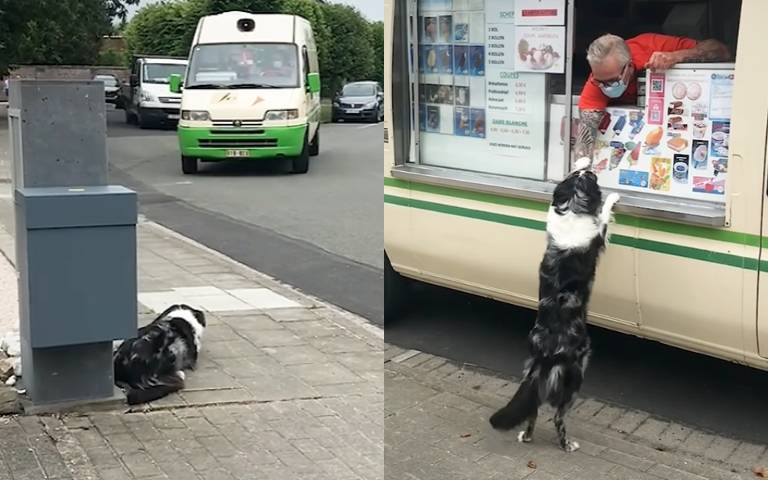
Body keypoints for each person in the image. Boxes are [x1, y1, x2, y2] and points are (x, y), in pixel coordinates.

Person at [574, 33, 730, 159]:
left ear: (629, 65)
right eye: (601, 81)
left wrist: (676, 56)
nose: (606, 87)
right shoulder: (596, 82)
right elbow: (585, 136)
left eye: (613, 81)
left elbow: (721, 50)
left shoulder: (650, 46)